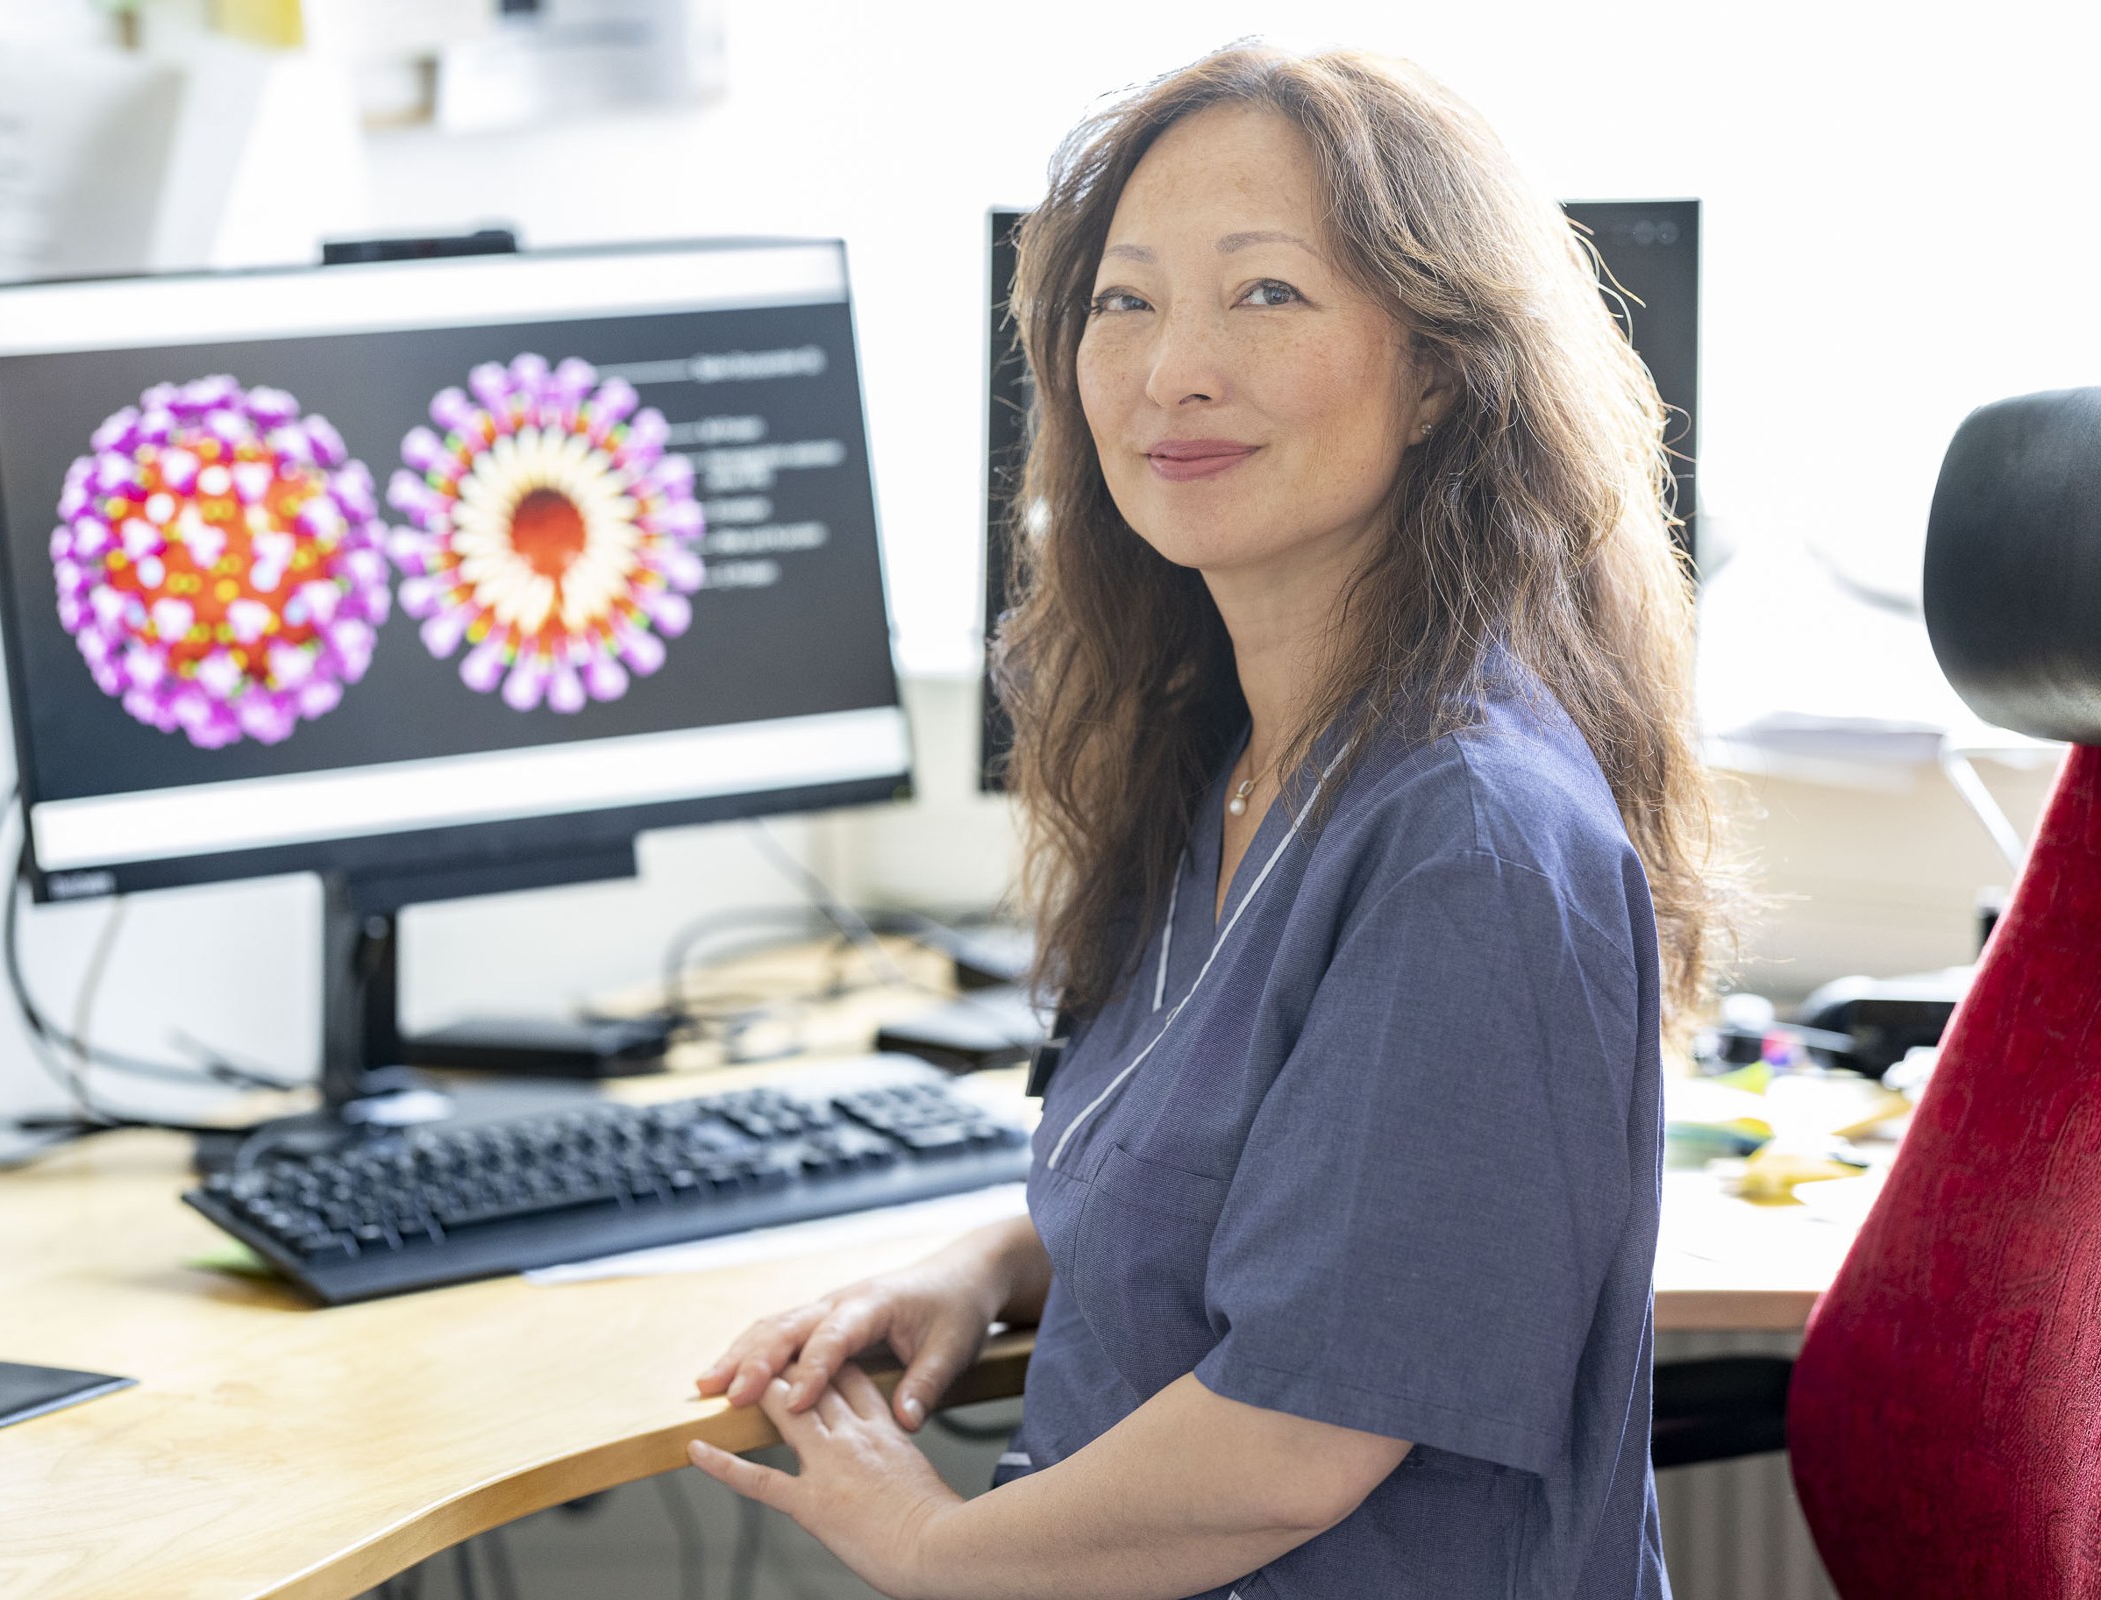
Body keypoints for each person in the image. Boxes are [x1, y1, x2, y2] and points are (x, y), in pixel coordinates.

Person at [688, 42, 1728, 1600]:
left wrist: (931, 1545)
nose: (1173, 367)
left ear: (1440, 368)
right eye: (1125, 300)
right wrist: (990, 1261)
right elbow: (1271, 1188)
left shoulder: (1467, 839)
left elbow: (1299, 1439)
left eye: (1267, 294)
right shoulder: (1236, 760)